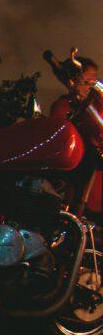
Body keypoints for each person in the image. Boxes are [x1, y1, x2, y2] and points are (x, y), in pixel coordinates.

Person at [50, 55, 103, 217]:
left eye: (93, 83)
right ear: (73, 81)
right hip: (72, 168)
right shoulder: (64, 106)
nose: (90, 87)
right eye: (87, 82)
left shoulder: (96, 106)